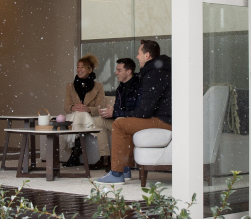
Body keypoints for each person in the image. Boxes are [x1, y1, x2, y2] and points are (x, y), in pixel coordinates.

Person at [96, 40, 170, 185]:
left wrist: (121, 114)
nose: (137, 57)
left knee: (120, 125)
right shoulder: (159, 70)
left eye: (139, 53)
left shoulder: (153, 74)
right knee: (125, 122)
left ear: (147, 55)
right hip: (166, 118)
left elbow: (145, 110)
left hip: (165, 120)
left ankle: (117, 173)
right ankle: (124, 170)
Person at [62, 54, 106, 168]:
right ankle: (77, 150)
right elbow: (66, 106)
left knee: (81, 114)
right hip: (75, 116)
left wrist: (88, 109)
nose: (79, 69)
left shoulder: (98, 86)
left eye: (82, 67)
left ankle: (75, 153)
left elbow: (100, 107)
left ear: (90, 70)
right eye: (78, 66)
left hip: (90, 117)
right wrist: (74, 107)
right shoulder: (70, 86)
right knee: (78, 114)